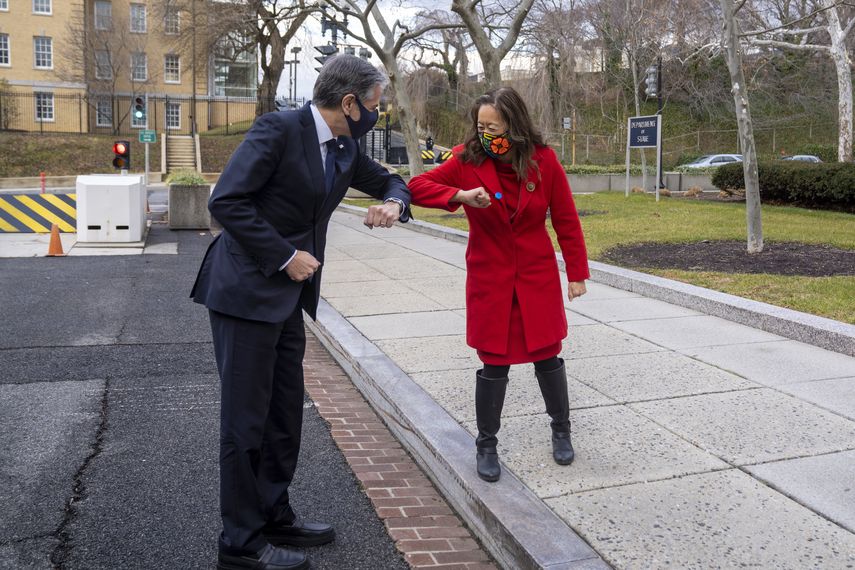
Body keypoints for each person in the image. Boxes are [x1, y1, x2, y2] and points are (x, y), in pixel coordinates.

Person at [191, 54, 411, 570]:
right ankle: (240, 544)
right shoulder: (279, 130)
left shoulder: (345, 146)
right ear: (350, 102)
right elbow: (227, 201)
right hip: (246, 293)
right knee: (245, 422)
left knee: (283, 415)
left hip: (289, 300)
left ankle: (274, 514)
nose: (379, 112)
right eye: (375, 103)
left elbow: (390, 181)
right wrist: (285, 256)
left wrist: (395, 204)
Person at [408, 87, 589, 483]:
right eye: (481, 126)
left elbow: (565, 219)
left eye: (494, 126)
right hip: (490, 277)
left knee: (547, 355)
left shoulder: (543, 160)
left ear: (514, 124)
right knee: (494, 361)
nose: (487, 133)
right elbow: (416, 188)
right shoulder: (466, 158)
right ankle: (486, 444)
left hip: (535, 275)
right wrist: (460, 195)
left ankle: (561, 431)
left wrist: (576, 273)